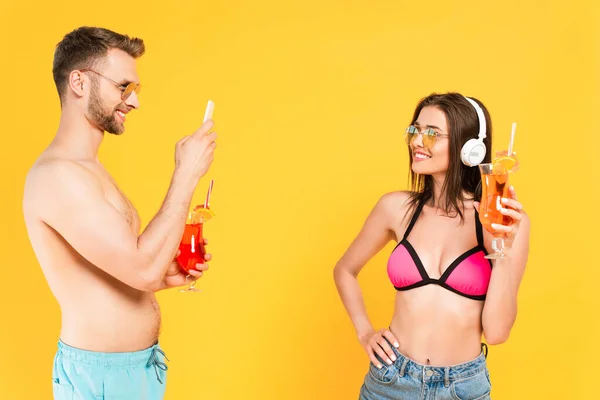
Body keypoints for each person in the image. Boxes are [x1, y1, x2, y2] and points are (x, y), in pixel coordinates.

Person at [22, 26, 217, 400]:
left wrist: (164, 275)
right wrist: (187, 173)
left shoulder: (89, 170)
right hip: (101, 379)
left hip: (136, 370)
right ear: (78, 81)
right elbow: (142, 269)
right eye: (123, 87)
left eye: (135, 90)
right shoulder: (58, 176)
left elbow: (127, 271)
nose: (134, 102)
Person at [333, 92, 530, 399]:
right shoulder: (395, 208)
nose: (416, 142)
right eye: (415, 130)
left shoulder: (501, 220)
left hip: (462, 388)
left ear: (470, 149)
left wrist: (503, 251)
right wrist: (365, 332)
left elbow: (497, 333)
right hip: (390, 381)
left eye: (432, 134)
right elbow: (345, 269)